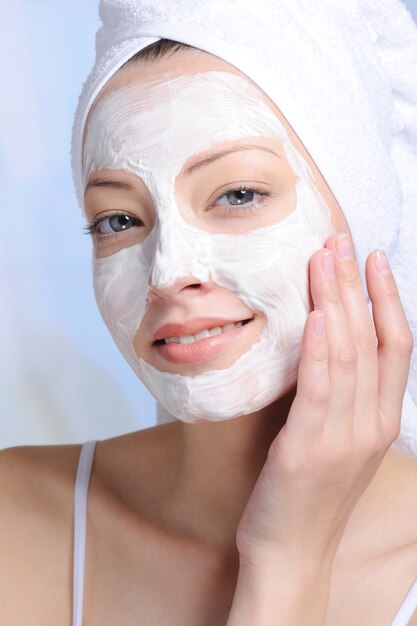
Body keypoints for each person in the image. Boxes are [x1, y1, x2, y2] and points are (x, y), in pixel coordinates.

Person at [1, 1, 417, 624]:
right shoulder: (15, 518)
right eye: (119, 219)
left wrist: (289, 558)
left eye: (238, 194)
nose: (167, 272)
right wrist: (286, 564)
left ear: (363, 216)